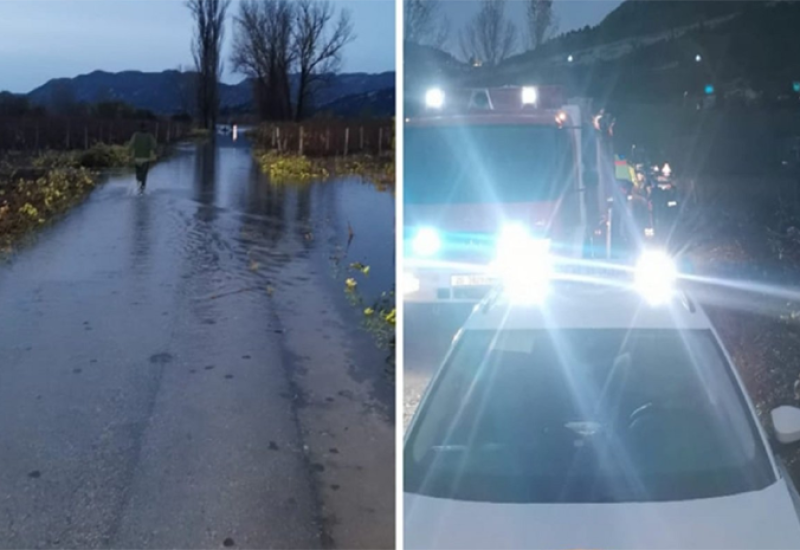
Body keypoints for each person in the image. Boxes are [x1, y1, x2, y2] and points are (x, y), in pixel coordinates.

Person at [129, 122, 157, 189]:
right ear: (146, 128)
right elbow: (154, 145)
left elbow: (130, 145)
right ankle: (142, 190)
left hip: (137, 158)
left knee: (138, 175)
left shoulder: (135, 135)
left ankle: (138, 189)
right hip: (146, 159)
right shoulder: (149, 135)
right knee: (144, 176)